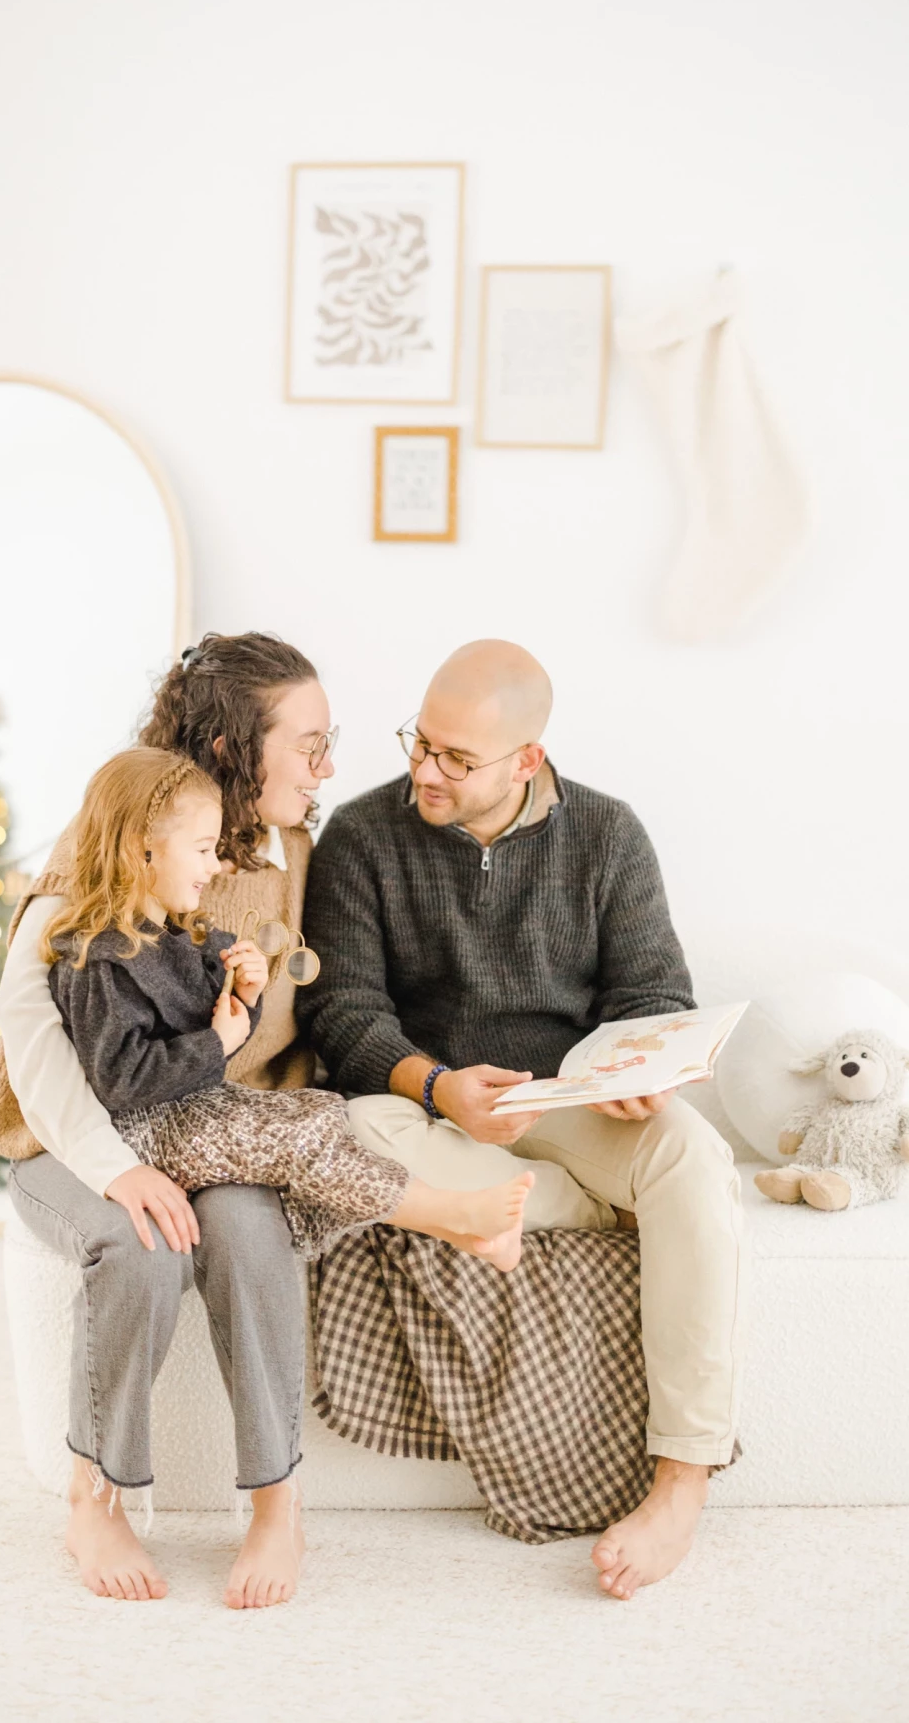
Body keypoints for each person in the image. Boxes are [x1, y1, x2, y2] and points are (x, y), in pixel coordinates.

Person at [299, 639, 745, 1603]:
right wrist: (437, 1084)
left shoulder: (609, 836)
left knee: (695, 1162)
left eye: (457, 759)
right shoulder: (362, 837)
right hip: (430, 1110)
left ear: (526, 761)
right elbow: (345, 1014)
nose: (426, 770)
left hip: (570, 1105)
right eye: (422, 743)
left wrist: (636, 1069)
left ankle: (682, 1482)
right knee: (344, 1140)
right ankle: (594, 1208)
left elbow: (654, 993)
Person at [0, 633, 337, 1610]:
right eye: (308, 744)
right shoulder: (104, 845)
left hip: (209, 1132)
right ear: (231, 751)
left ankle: (277, 1506)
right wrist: (116, 1169)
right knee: (139, 1246)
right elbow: (34, 1041)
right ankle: (92, 1495)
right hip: (79, 1138)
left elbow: (313, 1020)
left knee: (249, 1234)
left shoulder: (295, 856)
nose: (327, 766)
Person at [43, 743, 534, 1266]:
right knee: (294, 1141)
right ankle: (455, 1215)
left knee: (320, 1115)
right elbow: (123, 1082)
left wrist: (243, 998)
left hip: (188, 1112)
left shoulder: (176, 931)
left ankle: (458, 1227)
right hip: (141, 1133)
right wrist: (220, 1041)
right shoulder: (98, 960)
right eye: (204, 849)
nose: (214, 868)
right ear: (144, 849)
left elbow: (204, 1033)